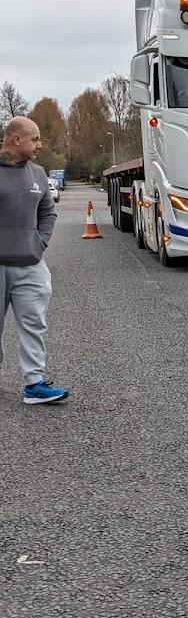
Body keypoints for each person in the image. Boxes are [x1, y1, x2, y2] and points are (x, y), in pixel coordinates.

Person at [0, 117, 68, 404]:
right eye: (35, 139)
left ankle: (35, 384)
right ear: (16, 139)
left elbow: (47, 214)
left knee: (34, 325)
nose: (39, 145)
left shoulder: (38, 174)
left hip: (30, 264)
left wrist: (39, 243)